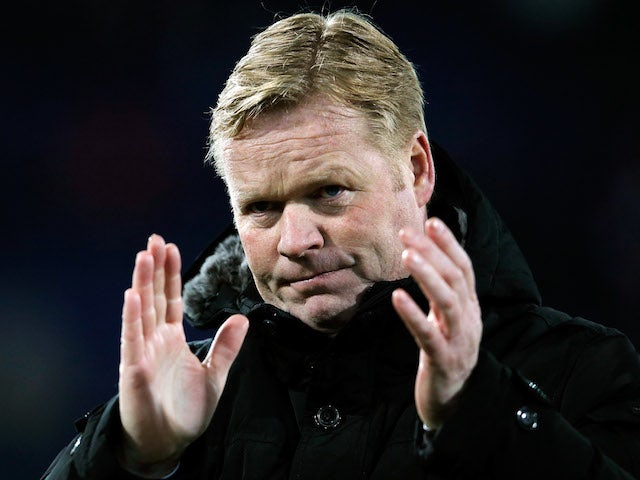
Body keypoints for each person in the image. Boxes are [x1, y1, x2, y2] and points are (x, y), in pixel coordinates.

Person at [43, 9, 640, 480]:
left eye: (330, 192)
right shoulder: (189, 399)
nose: (296, 241)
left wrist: (476, 412)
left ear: (417, 168)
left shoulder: (587, 372)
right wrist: (130, 456)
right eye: (261, 208)